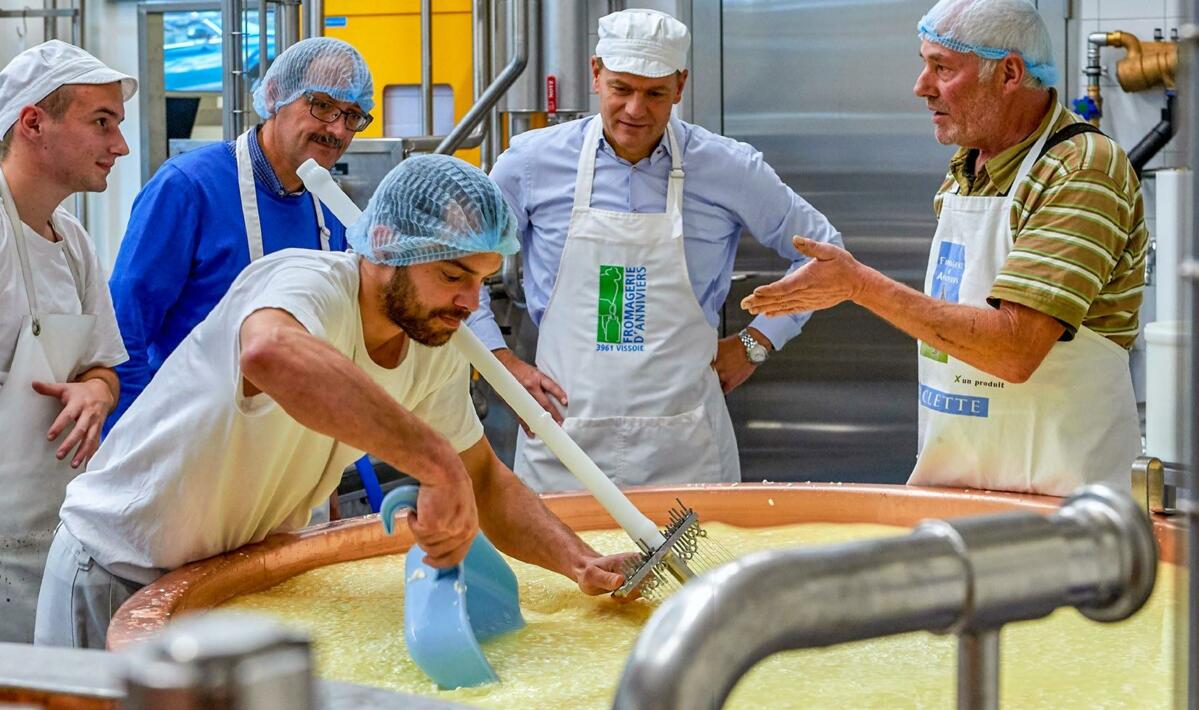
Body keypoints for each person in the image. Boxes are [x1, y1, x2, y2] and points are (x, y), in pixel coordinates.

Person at [35, 155, 636, 649]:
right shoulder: (306, 281)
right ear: (385, 247)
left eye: (481, 281)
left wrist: (579, 561)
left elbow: (481, 475)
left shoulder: (434, 346)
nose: (468, 303)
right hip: (119, 567)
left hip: (221, 582)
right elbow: (270, 353)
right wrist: (433, 459)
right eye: (454, 276)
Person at [743, 0, 1145, 497]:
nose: (921, 85)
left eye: (942, 67)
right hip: (959, 489)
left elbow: (1016, 350)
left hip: (1065, 505)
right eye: (923, 63)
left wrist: (858, 284)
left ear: (1010, 73)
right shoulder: (967, 170)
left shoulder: (1081, 167)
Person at [468, 9, 843, 492]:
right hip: (563, 444)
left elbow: (825, 255)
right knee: (561, 570)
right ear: (596, 73)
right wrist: (500, 362)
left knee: (699, 570)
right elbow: (454, 264)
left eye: (655, 93)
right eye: (621, 89)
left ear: (680, 86)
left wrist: (757, 342)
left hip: (685, 448)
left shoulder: (727, 168)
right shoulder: (530, 163)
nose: (635, 110)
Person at [104, 37, 374, 430]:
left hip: (286, 447)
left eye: (352, 115)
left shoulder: (330, 206)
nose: (337, 128)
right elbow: (125, 329)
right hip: (188, 436)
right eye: (322, 105)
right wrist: (123, 446)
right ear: (276, 96)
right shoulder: (188, 187)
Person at [0, 41, 137, 642]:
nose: (120, 146)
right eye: (101, 123)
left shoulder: (74, 241)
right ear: (33, 122)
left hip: (51, 539)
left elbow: (103, 365)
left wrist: (96, 394)